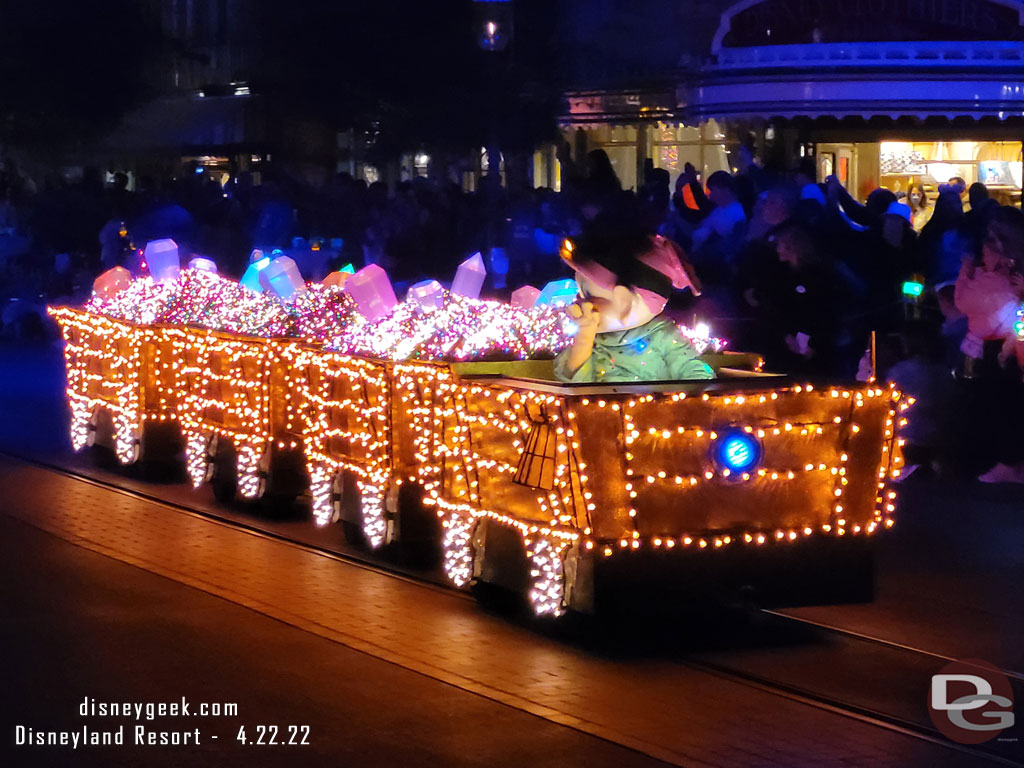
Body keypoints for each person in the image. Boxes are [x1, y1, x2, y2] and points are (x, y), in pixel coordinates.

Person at [554, 217, 713, 382]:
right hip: (599, 408)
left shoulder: (663, 337)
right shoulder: (595, 341)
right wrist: (585, 337)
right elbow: (573, 381)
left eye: (589, 297)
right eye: (579, 295)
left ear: (625, 301)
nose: (578, 304)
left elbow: (693, 371)